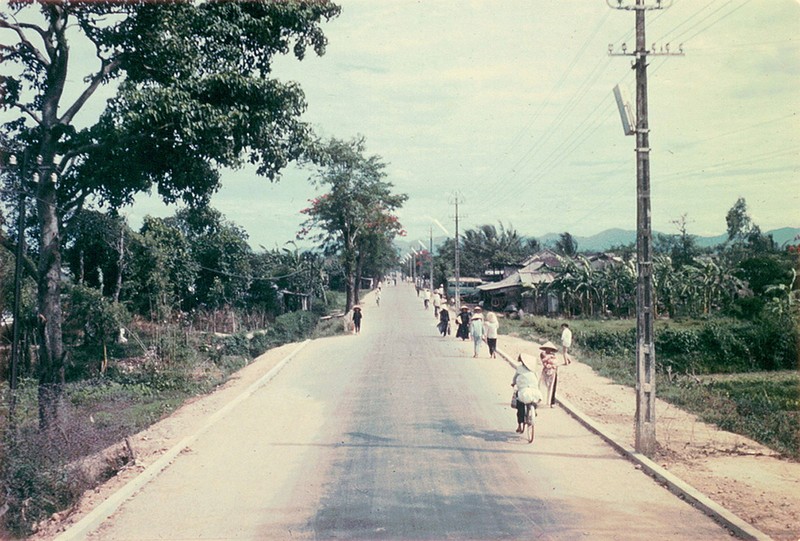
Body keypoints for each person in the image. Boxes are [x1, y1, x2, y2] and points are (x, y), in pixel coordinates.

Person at [511, 354, 542, 434]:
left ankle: (519, 425)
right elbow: (537, 380)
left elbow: (515, 378)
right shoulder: (534, 370)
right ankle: (534, 410)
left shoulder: (520, 368)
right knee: (534, 400)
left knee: (520, 405)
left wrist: (513, 383)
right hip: (534, 391)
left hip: (524, 391)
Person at [539, 341, 560, 407]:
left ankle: (550, 402)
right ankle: (540, 399)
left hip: (552, 372)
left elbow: (555, 363)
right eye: (547, 348)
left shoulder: (553, 356)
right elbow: (543, 361)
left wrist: (553, 365)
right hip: (546, 371)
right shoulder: (543, 354)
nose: (549, 350)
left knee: (552, 387)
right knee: (542, 385)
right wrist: (549, 358)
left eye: (550, 349)